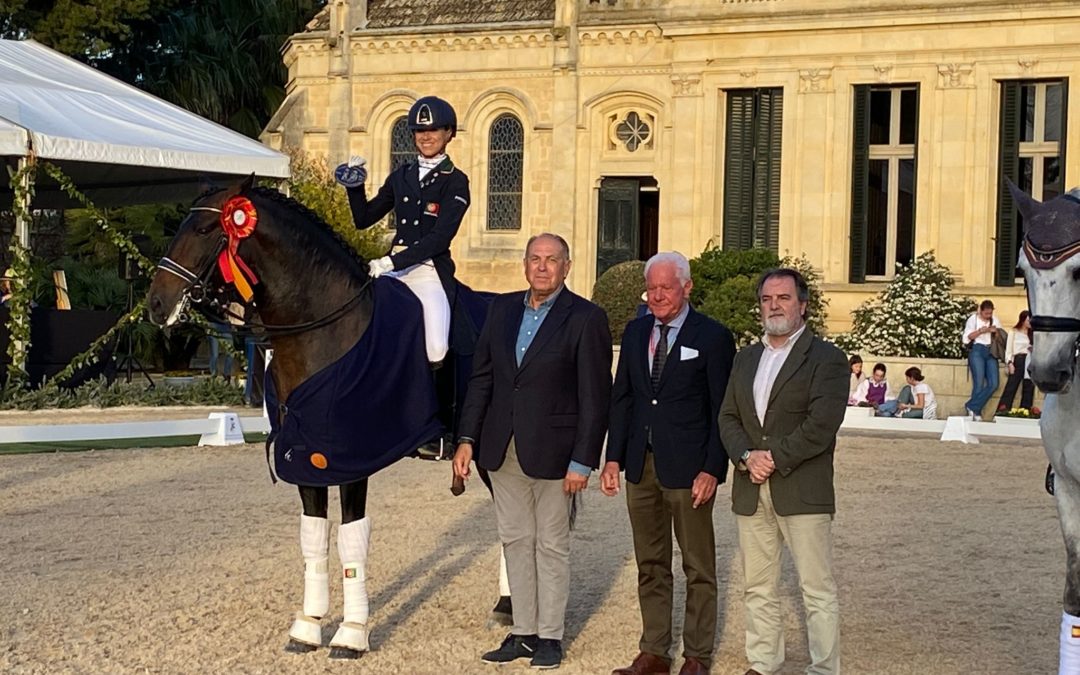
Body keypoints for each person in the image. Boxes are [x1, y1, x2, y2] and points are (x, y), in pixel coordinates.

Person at [452, 233, 612, 670]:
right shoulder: (501, 310)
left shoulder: (585, 318)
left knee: (552, 546)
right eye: (535, 259)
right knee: (516, 542)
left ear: (567, 265)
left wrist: (583, 460)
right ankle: (522, 631)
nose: (542, 267)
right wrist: (466, 439)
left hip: (558, 455)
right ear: (525, 265)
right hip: (502, 451)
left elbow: (596, 397)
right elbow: (482, 379)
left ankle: (550, 637)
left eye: (551, 260)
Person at [601, 252, 736, 675]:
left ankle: (697, 656)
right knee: (651, 563)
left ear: (687, 287)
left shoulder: (713, 337)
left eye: (667, 288)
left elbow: (722, 410)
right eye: (652, 288)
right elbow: (623, 399)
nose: (657, 295)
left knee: (698, 566)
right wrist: (613, 457)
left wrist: (713, 468)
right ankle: (654, 651)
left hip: (690, 470)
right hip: (641, 467)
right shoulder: (637, 330)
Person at [718, 268, 848, 675]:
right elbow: (728, 417)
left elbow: (822, 424)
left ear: (803, 305)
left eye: (783, 298)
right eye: (767, 299)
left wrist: (771, 457)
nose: (773, 306)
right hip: (750, 488)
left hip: (801, 488)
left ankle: (824, 668)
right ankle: (763, 662)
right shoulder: (746, 358)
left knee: (816, 590)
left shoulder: (827, 359)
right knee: (758, 586)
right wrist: (745, 457)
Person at [335, 95, 469, 365]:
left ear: (448, 133)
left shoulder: (455, 181)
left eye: (432, 130)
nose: (425, 136)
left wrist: (391, 261)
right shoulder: (401, 176)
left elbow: (440, 238)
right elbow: (363, 218)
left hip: (428, 270)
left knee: (436, 346)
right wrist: (354, 184)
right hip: (393, 270)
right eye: (420, 131)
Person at [962, 299, 1002, 421]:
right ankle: (976, 412)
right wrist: (981, 331)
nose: (988, 316)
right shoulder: (973, 319)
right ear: (981, 311)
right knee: (978, 382)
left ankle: (972, 406)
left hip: (991, 351)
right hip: (977, 350)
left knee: (994, 383)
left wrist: (995, 332)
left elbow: (1000, 337)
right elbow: (967, 338)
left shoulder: (995, 320)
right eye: (986, 314)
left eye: (990, 313)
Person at [997, 310, 1035, 412]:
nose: (1029, 323)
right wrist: (1009, 363)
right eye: (1028, 320)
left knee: (1029, 386)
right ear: (1022, 321)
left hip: (1029, 359)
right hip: (1018, 359)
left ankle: (1025, 409)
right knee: (1012, 385)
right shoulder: (1014, 332)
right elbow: (1009, 349)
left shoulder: (1033, 334)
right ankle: (1003, 408)